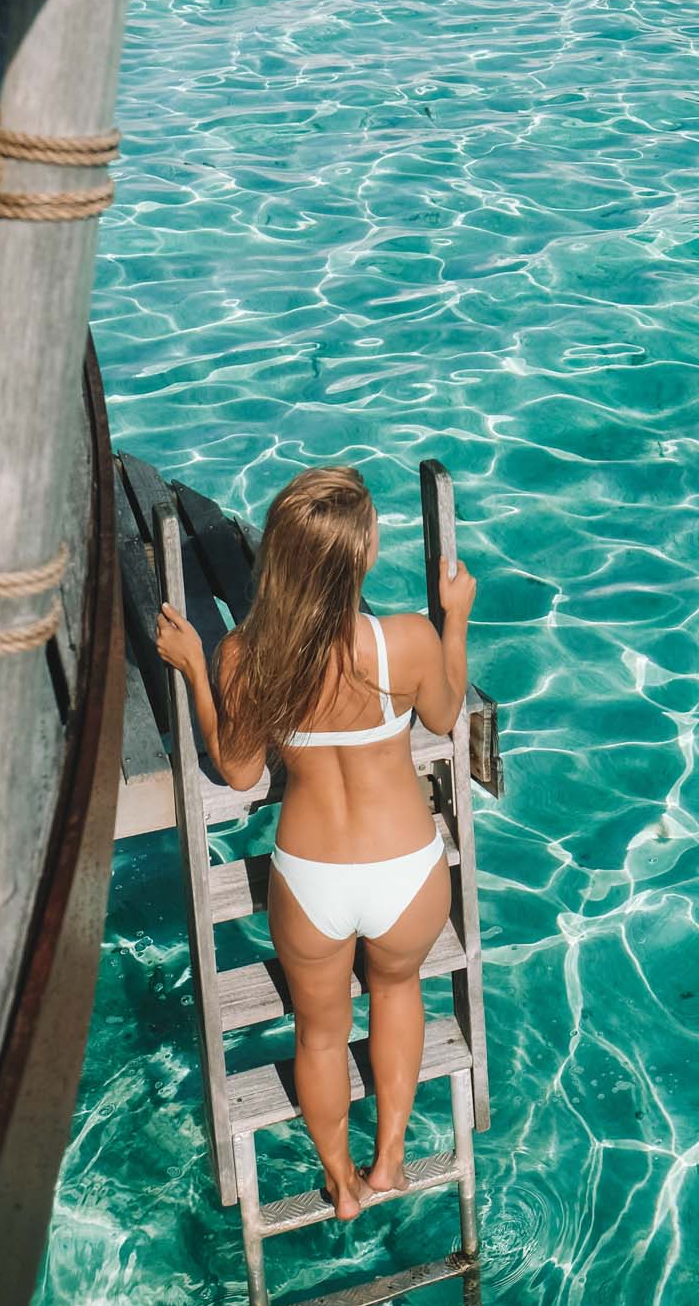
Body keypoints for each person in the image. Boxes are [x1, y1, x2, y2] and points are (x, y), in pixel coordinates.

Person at [156, 465, 476, 1219]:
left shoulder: (248, 653)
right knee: (400, 992)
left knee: (321, 1033)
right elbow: (444, 714)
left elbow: (236, 770)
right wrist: (455, 616)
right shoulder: (406, 640)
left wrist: (197, 668)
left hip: (313, 878)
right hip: (407, 871)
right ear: (361, 560)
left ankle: (339, 1185)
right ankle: (390, 1161)